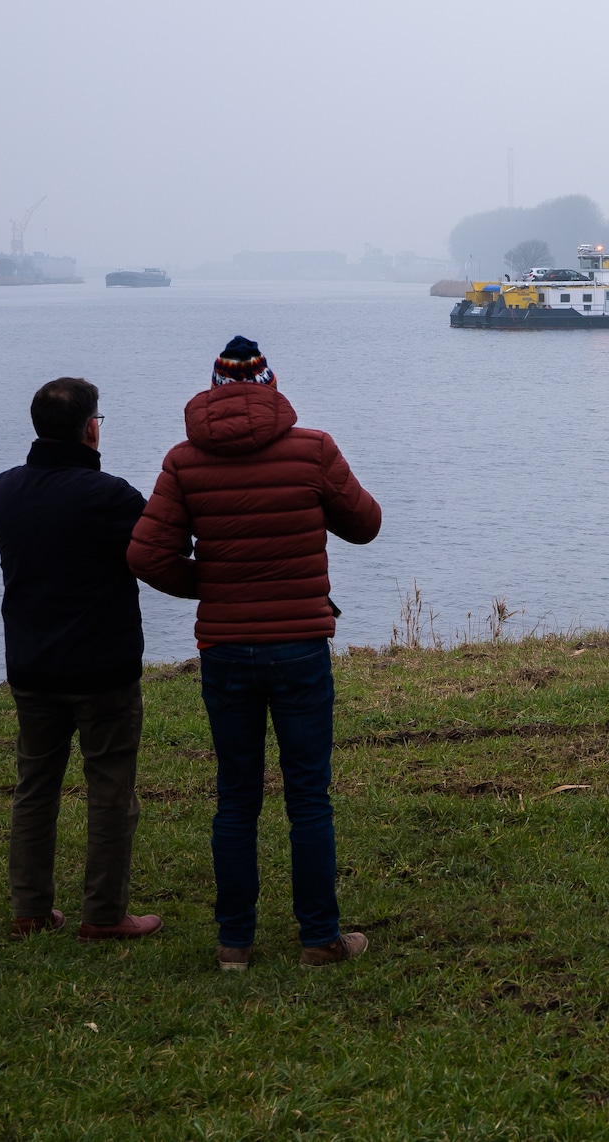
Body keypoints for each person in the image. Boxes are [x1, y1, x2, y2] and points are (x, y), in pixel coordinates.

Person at [128, 337, 381, 972]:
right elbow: (366, 523)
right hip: (299, 646)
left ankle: (234, 944)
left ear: (213, 391)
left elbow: (147, 555)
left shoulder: (183, 461)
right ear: (269, 385)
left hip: (225, 651)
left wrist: (210, 583)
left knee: (236, 797)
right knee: (308, 797)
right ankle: (319, 938)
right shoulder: (313, 448)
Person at [0, 377, 163, 942]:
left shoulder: (3, 491)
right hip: (101, 667)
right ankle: (104, 914)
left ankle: (31, 909)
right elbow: (157, 553)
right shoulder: (110, 496)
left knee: (35, 785)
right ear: (91, 428)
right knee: (110, 787)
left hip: (32, 664)